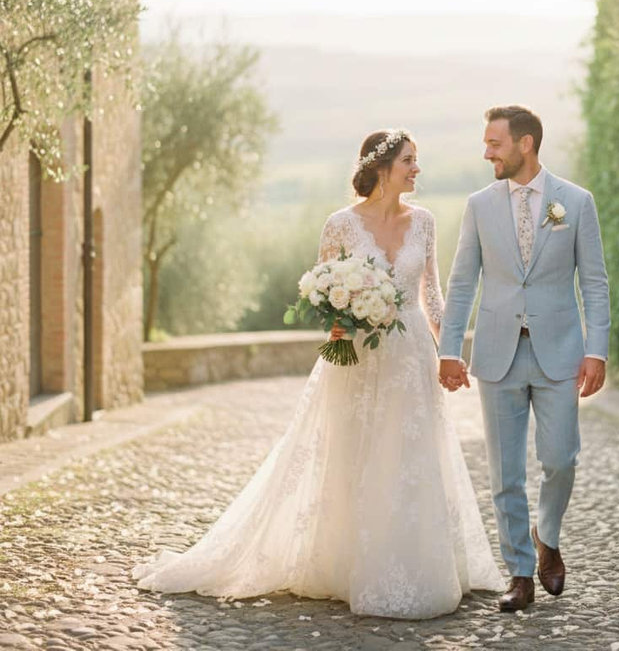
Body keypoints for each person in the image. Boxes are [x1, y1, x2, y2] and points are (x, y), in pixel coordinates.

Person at [133, 129, 504, 619]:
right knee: (353, 453)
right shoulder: (340, 225)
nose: (417, 170)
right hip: (357, 356)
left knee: (410, 452)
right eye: (409, 161)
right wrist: (347, 315)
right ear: (381, 167)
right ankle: (350, 563)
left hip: (412, 353)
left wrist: (450, 351)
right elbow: (322, 293)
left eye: (417, 161)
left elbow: (431, 295)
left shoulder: (426, 222)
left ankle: (415, 565)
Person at [438, 105, 610, 612]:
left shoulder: (576, 203)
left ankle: (547, 534)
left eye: (495, 143)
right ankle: (519, 573)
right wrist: (451, 349)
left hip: (561, 353)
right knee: (504, 474)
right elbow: (462, 281)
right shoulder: (479, 205)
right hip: (497, 354)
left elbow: (594, 283)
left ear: (526, 144)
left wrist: (596, 348)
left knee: (560, 459)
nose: (486, 151)